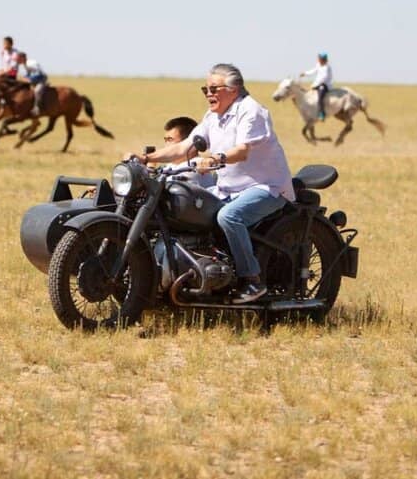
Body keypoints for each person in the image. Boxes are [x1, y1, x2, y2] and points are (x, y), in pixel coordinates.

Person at [129, 63, 294, 303]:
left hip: (265, 186)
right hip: (228, 188)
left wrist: (218, 158)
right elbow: (185, 147)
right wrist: (146, 158)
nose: (208, 94)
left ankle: (252, 281)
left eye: (214, 89)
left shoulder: (252, 111)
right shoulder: (212, 117)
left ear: (233, 88)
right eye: (205, 89)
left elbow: (242, 150)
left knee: (229, 217)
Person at [163, 116, 214, 189]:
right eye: (165, 140)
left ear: (187, 142)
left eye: (170, 140)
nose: (166, 145)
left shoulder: (196, 166)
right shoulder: (171, 165)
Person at [300, 52, 333, 121]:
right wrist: (305, 73)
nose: (318, 60)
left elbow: (324, 78)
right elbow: (313, 71)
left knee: (320, 98)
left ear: (323, 59)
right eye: (318, 58)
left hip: (324, 85)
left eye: (320, 59)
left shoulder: (327, 67)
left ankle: (322, 114)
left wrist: (314, 85)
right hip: (317, 84)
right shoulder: (318, 65)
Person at [16, 52, 48, 117]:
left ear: (22, 58)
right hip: (35, 79)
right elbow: (29, 74)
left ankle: (37, 108)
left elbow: (39, 73)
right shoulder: (25, 64)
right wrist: (24, 78)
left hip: (41, 79)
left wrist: (29, 79)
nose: (16, 60)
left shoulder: (31, 63)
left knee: (37, 91)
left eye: (18, 58)